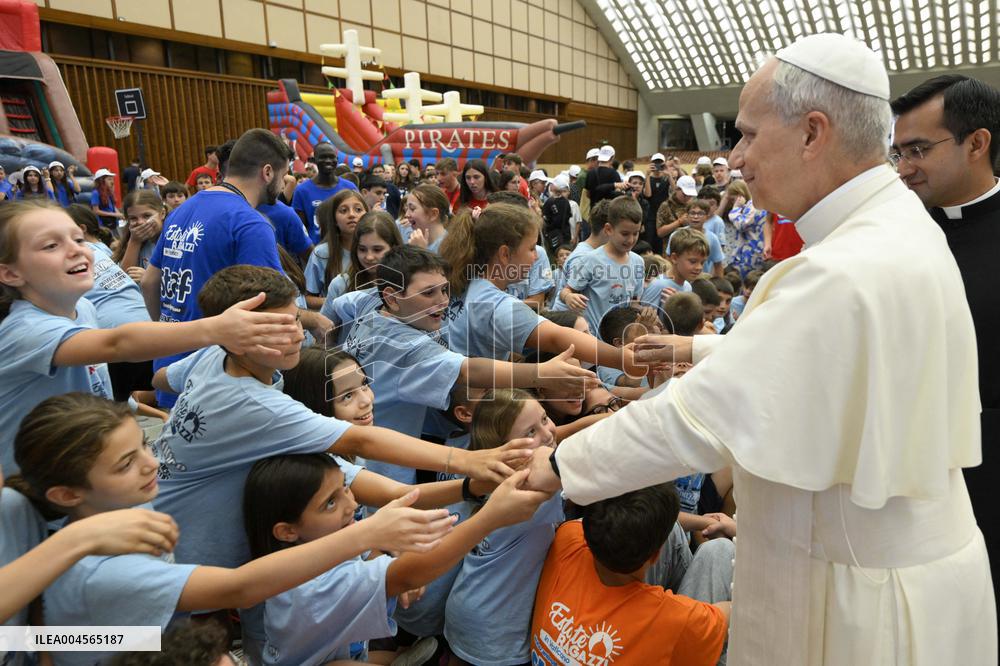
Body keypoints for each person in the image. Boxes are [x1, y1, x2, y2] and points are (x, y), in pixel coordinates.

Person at [526, 32, 997, 664]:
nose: (737, 158)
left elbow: (697, 419)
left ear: (812, 132)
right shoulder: (896, 226)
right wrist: (694, 352)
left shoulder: (845, 265)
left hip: (860, 601)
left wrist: (557, 467)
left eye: (747, 134)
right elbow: (823, 365)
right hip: (889, 570)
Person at [9, 392, 458, 666]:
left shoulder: (92, 534)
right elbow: (239, 589)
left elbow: (54, 633)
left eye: (144, 446)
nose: (152, 464)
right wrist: (367, 534)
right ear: (67, 494)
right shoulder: (103, 569)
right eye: (127, 464)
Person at [0, 201, 298, 473]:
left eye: (78, 239)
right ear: (11, 273)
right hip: (31, 487)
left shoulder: (84, 308)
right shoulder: (24, 329)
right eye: (51, 246)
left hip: (78, 473)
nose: (76, 249)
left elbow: (94, 386)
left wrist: (143, 413)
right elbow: (117, 344)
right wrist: (216, 328)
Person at [245, 452, 548, 666]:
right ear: (287, 531)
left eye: (346, 489)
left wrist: (386, 552)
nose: (351, 504)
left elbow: (377, 554)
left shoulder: (317, 545)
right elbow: (408, 574)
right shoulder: (309, 590)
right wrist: (490, 518)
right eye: (330, 503)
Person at [343, 246, 594, 483]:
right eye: (428, 293)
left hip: (361, 454)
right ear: (392, 297)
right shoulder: (406, 346)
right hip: (383, 469)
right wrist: (541, 373)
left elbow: (341, 304)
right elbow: (470, 371)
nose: (442, 301)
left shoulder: (371, 304)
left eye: (444, 290)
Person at [891, 74, 1000, 609]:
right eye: (899, 152)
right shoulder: (893, 233)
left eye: (918, 149)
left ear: (976, 143)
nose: (904, 167)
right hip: (910, 468)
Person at [140, 128, 311, 408]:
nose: (283, 186)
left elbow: (149, 282)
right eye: (283, 176)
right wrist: (316, 321)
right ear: (267, 172)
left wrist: (170, 335)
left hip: (169, 364)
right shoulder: (250, 223)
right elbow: (272, 307)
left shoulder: (182, 209)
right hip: (218, 378)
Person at [530, 483, 729, 666]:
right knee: (720, 550)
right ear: (655, 556)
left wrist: (704, 522)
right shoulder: (673, 620)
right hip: (677, 627)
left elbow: (618, 516)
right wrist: (735, 530)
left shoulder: (567, 538)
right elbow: (735, 613)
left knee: (673, 528)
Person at [440, 203, 640, 375]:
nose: (536, 257)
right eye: (531, 248)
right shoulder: (497, 305)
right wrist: (620, 358)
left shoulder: (462, 278)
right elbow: (556, 337)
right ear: (504, 254)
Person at [445, 389, 565, 666]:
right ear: (505, 450)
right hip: (496, 630)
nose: (547, 433)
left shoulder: (489, 477)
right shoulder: (536, 488)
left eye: (545, 419)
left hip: (465, 609)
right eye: (531, 431)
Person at [563, 196, 646, 335]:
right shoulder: (589, 260)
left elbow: (633, 302)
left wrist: (645, 313)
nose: (631, 240)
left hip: (620, 340)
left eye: (635, 233)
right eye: (625, 234)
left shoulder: (638, 262)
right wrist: (568, 297)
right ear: (608, 229)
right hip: (592, 341)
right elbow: (566, 290)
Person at [304, 189, 368, 305]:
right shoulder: (322, 253)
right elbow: (306, 298)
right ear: (334, 220)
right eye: (344, 211)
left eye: (358, 210)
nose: (352, 215)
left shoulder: (376, 250)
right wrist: (336, 302)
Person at [291, 142, 359, 245]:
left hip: (347, 248)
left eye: (332, 157)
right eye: (323, 157)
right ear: (315, 160)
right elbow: (300, 229)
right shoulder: (302, 191)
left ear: (337, 159)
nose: (328, 161)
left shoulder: (350, 187)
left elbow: (359, 220)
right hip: (317, 251)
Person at [641, 227, 704, 309]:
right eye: (693, 261)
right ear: (675, 258)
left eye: (702, 262)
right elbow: (643, 319)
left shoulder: (687, 286)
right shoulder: (659, 285)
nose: (699, 267)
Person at [666, 200, 726, 277]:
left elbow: (718, 265)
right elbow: (668, 259)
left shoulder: (712, 238)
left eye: (700, 214)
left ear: (707, 217)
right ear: (687, 215)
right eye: (692, 213)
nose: (695, 217)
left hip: (700, 281)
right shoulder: (676, 234)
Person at [404, 183, 450, 253]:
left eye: (412, 208)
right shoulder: (412, 238)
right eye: (407, 209)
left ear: (433, 214)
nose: (406, 214)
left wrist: (420, 253)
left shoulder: (448, 248)